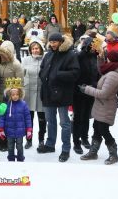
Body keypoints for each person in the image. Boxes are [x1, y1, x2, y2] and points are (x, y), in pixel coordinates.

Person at [79, 50, 118, 165]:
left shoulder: (114, 75)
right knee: (97, 127)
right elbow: (102, 71)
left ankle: (113, 153)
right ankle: (93, 151)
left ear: (112, 60)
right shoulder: (113, 70)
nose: (107, 60)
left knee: (103, 130)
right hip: (101, 105)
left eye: (108, 58)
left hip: (106, 106)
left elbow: (104, 94)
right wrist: (100, 59)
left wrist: (86, 89)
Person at [38, 33, 80, 162]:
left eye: (55, 42)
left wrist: (57, 75)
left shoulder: (70, 55)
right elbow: (42, 69)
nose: (52, 44)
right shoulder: (48, 54)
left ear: (61, 42)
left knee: (64, 123)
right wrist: (44, 75)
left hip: (63, 94)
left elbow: (75, 73)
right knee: (50, 121)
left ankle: (66, 149)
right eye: (51, 42)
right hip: (48, 93)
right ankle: (50, 145)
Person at [0, 41, 24, 151]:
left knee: (9, 121)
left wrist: (17, 97)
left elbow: (20, 83)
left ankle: (12, 142)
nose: (3, 56)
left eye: (6, 54)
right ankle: (2, 144)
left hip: (10, 96)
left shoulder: (16, 64)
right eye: (1, 54)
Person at [72, 37, 99, 154]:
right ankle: (76, 142)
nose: (94, 48)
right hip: (78, 91)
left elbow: (96, 73)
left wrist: (95, 84)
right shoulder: (79, 56)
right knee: (78, 116)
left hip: (90, 90)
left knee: (86, 116)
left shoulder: (95, 57)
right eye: (92, 46)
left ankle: (84, 138)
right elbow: (75, 72)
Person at [0, 78, 32, 161]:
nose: (15, 96)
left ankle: (20, 158)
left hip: (20, 131)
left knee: (19, 146)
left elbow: (28, 117)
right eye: (13, 95)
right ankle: (11, 159)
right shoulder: (6, 105)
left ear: (20, 94)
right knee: (10, 146)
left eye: (17, 94)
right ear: (9, 95)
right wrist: (1, 129)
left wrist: (29, 129)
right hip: (9, 131)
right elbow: (2, 117)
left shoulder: (23, 104)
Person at [21, 40, 46, 149]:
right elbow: (21, 75)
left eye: (37, 48)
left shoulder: (45, 59)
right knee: (29, 118)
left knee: (42, 119)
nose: (35, 51)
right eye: (33, 49)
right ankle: (29, 139)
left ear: (41, 48)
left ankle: (41, 140)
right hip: (28, 92)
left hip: (41, 92)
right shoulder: (25, 60)